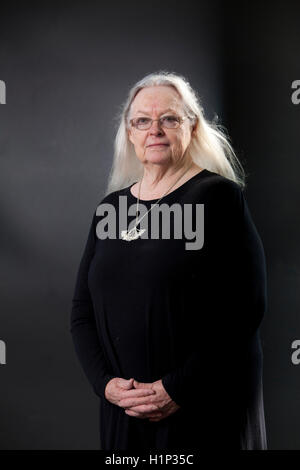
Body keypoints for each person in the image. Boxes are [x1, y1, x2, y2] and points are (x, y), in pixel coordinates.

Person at [70, 71, 268, 450]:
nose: (154, 130)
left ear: (192, 128)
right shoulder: (111, 209)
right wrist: (106, 386)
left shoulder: (218, 198)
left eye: (169, 119)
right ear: (129, 133)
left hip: (201, 407)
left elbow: (244, 310)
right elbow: (81, 311)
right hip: (125, 410)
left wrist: (176, 388)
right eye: (142, 121)